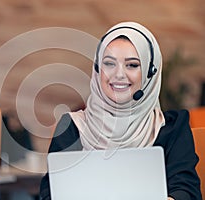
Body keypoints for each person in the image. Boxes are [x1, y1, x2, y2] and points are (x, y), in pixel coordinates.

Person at [40, 22, 202, 200]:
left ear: (150, 72)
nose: (118, 74)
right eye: (109, 63)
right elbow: (50, 195)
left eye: (132, 65)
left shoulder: (172, 128)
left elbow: (187, 192)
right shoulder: (73, 126)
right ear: (97, 70)